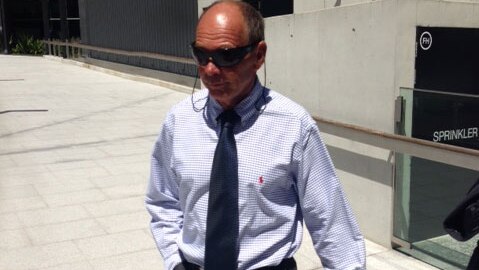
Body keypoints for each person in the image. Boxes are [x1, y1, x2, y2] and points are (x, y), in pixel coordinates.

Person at [145, 1, 366, 269]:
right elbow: (163, 200)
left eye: (227, 56)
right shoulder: (179, 121)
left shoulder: (294, 126)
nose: (210, 70)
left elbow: (332, 224)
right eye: (201, 55)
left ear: (258, 55)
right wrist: (174, 262)